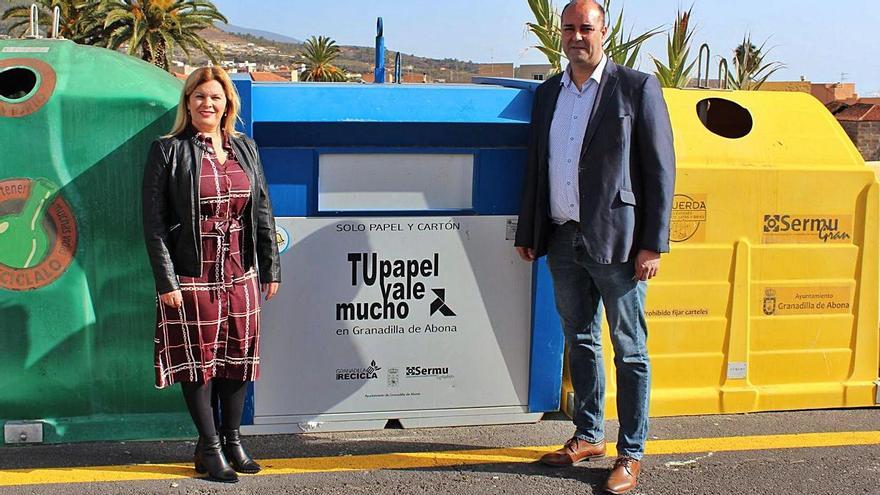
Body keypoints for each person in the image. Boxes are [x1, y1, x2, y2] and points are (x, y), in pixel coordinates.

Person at [514, 1, 675, 493]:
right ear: (559, 33)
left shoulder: (636, 87)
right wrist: (530, 232)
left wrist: (652, 244)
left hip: (620, 244)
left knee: (630, 350)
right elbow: (537, 166)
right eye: (569, 28)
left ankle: (631, 452)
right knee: (579, 340)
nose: (577, 36)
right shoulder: (547, 95)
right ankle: (588, 435)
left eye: (586, 27)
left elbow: (660, 168)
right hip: (563, 238)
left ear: (604, 32)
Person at [142, 66, 281, 483]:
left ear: (228, 104)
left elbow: (261, 210)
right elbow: (153, 223)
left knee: (238, 358)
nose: (208, 103)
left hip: (241, 272)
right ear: (188, 102)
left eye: (216, 97)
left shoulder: (245, 148)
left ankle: (233, 440)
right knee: (198, 363)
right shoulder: (167, 149)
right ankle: (210, 445)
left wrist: (271, 266)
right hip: (193, 274)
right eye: (200, 96)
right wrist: (167, 281)